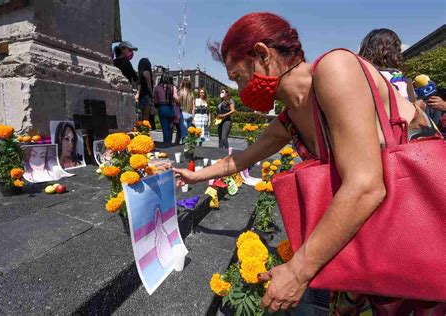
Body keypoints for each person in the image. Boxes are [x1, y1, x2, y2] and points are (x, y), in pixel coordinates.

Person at [175, 12, 444, 314]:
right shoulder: (291, 117)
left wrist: (298, 271)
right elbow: (243, 157)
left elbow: (366, 185)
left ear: (263, 54)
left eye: (238, 76)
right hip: (379, 245)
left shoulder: (335, 69)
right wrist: (194, 176)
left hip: (421, 233)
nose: (240, 89)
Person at [359, 29, 440, 141]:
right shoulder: (400, 80)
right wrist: (417, 106)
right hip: (400, 142)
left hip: (369, 140)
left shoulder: (361, 75)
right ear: (393, 51)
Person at [154, 73, 178, 145]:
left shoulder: (157, 88)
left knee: (164, 129)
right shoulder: (173, 87)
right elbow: (176, 98)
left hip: (162, 108)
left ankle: (166, 144)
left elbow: (155, 102)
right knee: (170, 128)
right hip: (171, 108)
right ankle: (169, 143)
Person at [137, 58, 154, 123]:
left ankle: (140, 130)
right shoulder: (147, 72)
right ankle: (145, 130)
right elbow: (149, 86)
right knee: (146, 117)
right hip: (147, 95)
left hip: (141, 95)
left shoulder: (140, 74)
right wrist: (152, 96)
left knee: (141, 116)